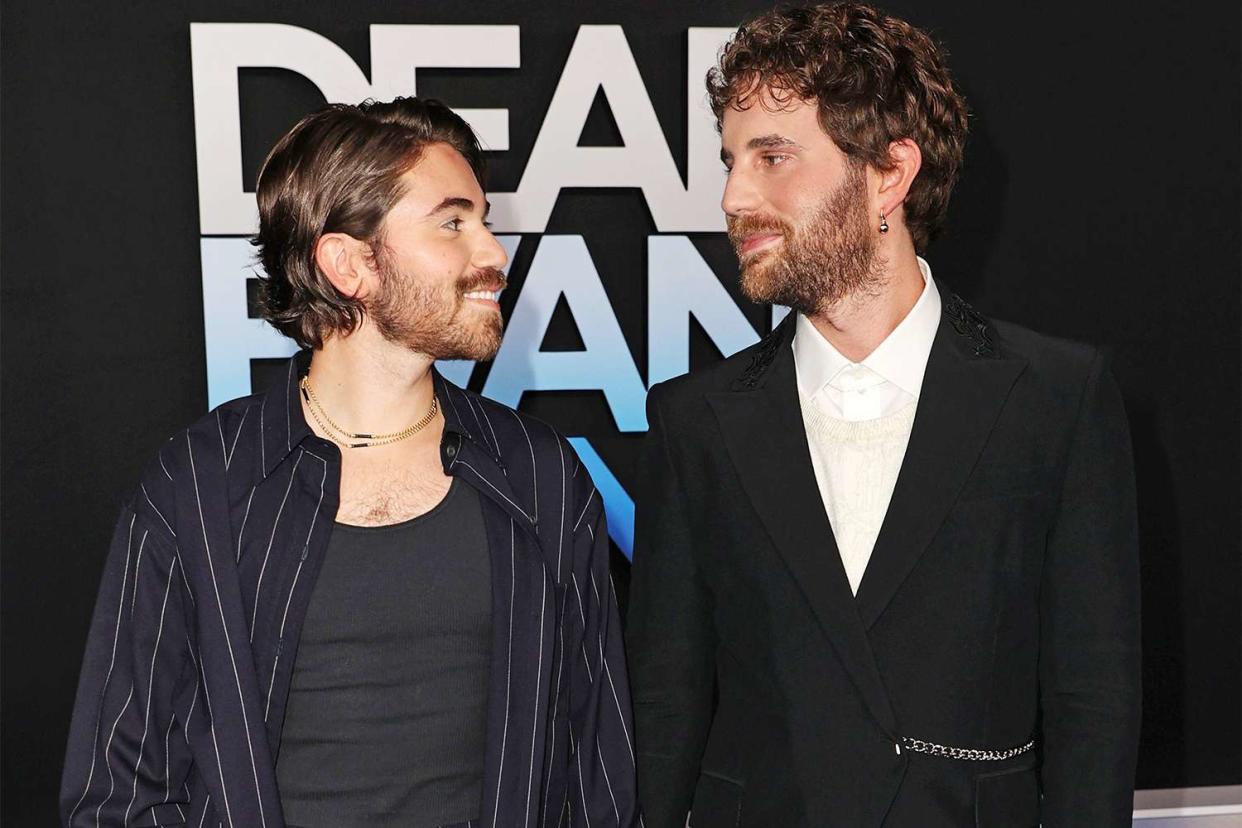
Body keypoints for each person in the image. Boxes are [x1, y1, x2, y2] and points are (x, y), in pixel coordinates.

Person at [626, 4, 1141, 826]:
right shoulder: (695, 422)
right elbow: (664, 710)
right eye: (729, 160)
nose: (731, 196)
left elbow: (1094, 703)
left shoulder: (1055, 397)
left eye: (773, 156)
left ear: (889, 174)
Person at [61, 97, 637, 828]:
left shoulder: (542, 476)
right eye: (453, 222)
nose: (493, 252)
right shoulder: (200, 486)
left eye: (483, 221)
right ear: (350, 264)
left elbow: (600, 774)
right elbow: (119, 790)